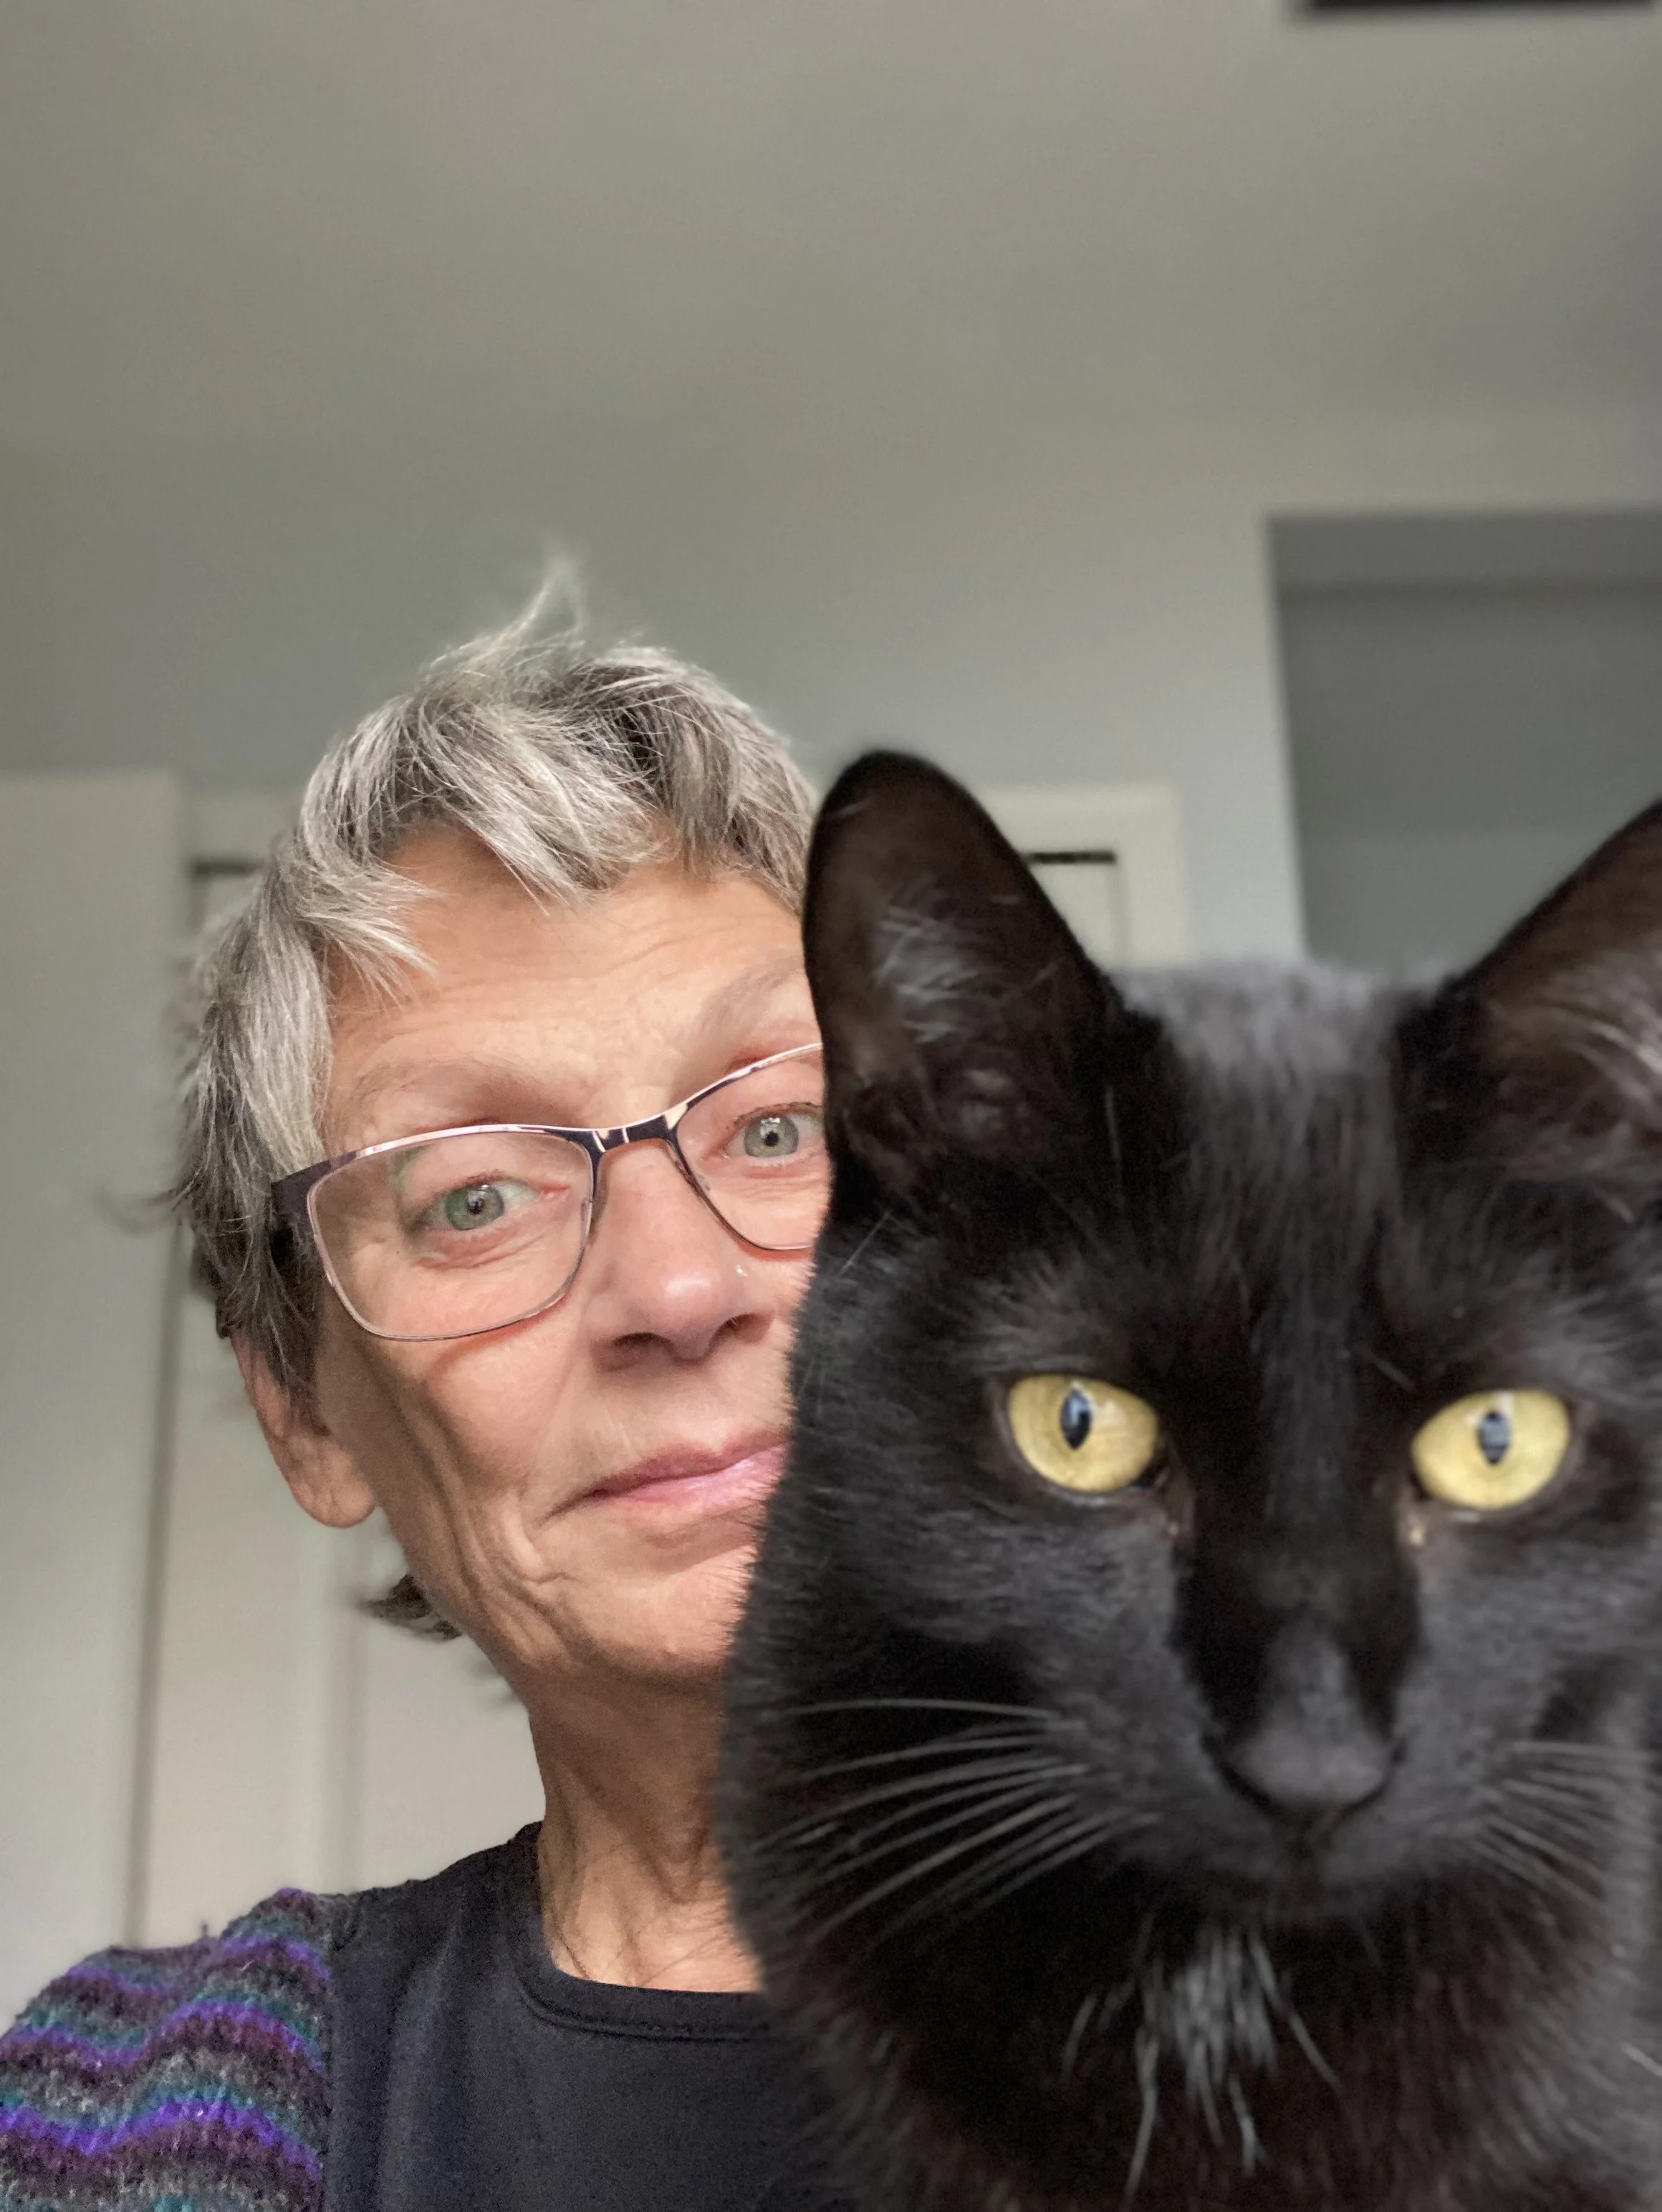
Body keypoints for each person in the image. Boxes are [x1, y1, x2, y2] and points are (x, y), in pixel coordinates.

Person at [0, 603, 850, 2211]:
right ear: (306, 1414)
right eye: (473, 1198)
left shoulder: (1373, 1977)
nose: (678, 1287)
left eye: (779, 1127)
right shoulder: (100, 2112)